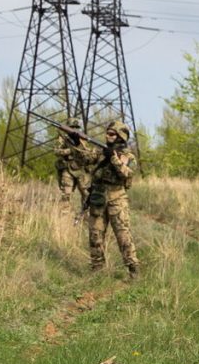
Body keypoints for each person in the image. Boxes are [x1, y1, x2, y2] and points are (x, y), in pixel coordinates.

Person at [84, 120, 139, 279]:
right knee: (95, 235)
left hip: (117, 199)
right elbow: (85, 159)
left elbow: (127, 174)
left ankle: (133, 271)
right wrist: (76, 142)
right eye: (107, 133)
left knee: (123, 236)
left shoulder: (128, 156)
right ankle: (97, 271)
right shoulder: (100, 152)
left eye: (112, 133)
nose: (108, 136)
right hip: (99, 198)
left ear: (120, 136)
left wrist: (113, 159)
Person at [55, 118, 91, 209]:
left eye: (76, 127)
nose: (74, 129)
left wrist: (78, 144)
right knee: (66, 195)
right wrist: (69, 151)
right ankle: (64, 217)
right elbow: (56, 151)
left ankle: (85, 215)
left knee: (86, 194)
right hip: (68, 169)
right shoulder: (62, 138)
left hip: (81, 169)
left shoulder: (83, 139)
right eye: (72, 127)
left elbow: (88, 154)